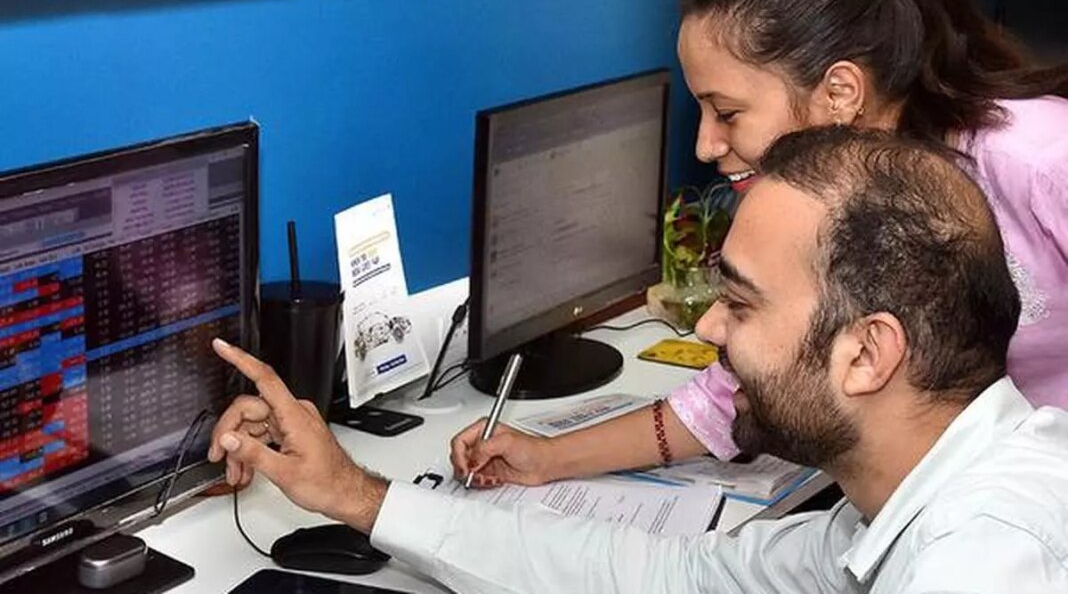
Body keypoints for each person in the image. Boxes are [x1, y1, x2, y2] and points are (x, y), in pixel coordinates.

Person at [209, 127, 1068, 593]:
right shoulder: (889, 507)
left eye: (741, 302)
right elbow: (669, 572)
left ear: (868, 351)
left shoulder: (987, 556)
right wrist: (355, 494)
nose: (711, 334)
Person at [448, 0, 1068, 489]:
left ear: (840, 93)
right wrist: (548, 458)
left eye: (728, 112)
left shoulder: (1042, 158)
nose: (705, 146)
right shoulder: (825, 202)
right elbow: (731, 392)